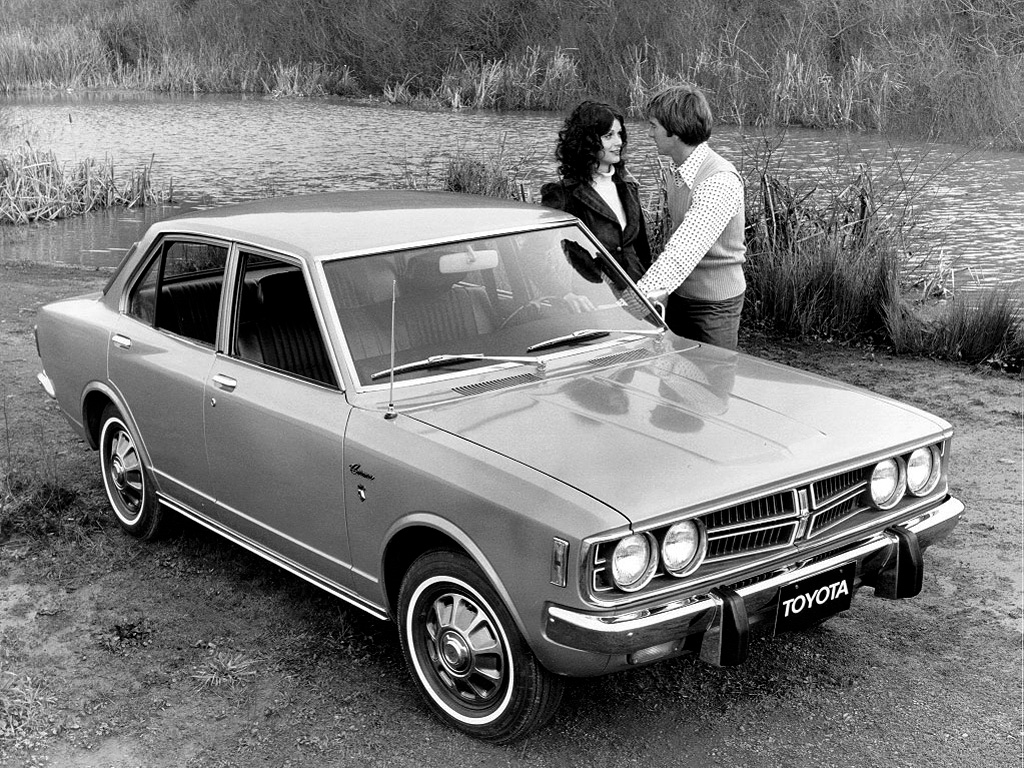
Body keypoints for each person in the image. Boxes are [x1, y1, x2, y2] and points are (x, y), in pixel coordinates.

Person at [636, 85, 746, 351]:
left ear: (674, 130)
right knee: (672, 371)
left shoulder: (718, 180)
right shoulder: (678, 170)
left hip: (714, 306)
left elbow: (683, 250)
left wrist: (634, 301)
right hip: (679, 296)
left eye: (653, 126)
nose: (649, 133)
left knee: (713, 373)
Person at [541, 101, 651, 284]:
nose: (619, 142)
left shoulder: (629, 189)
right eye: (609, 136)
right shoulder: (563, 195)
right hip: (592, 295)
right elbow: (539, 254)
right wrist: (565, 294)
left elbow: (643, 253)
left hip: (637, 293)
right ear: (588, 141)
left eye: (620, 134)